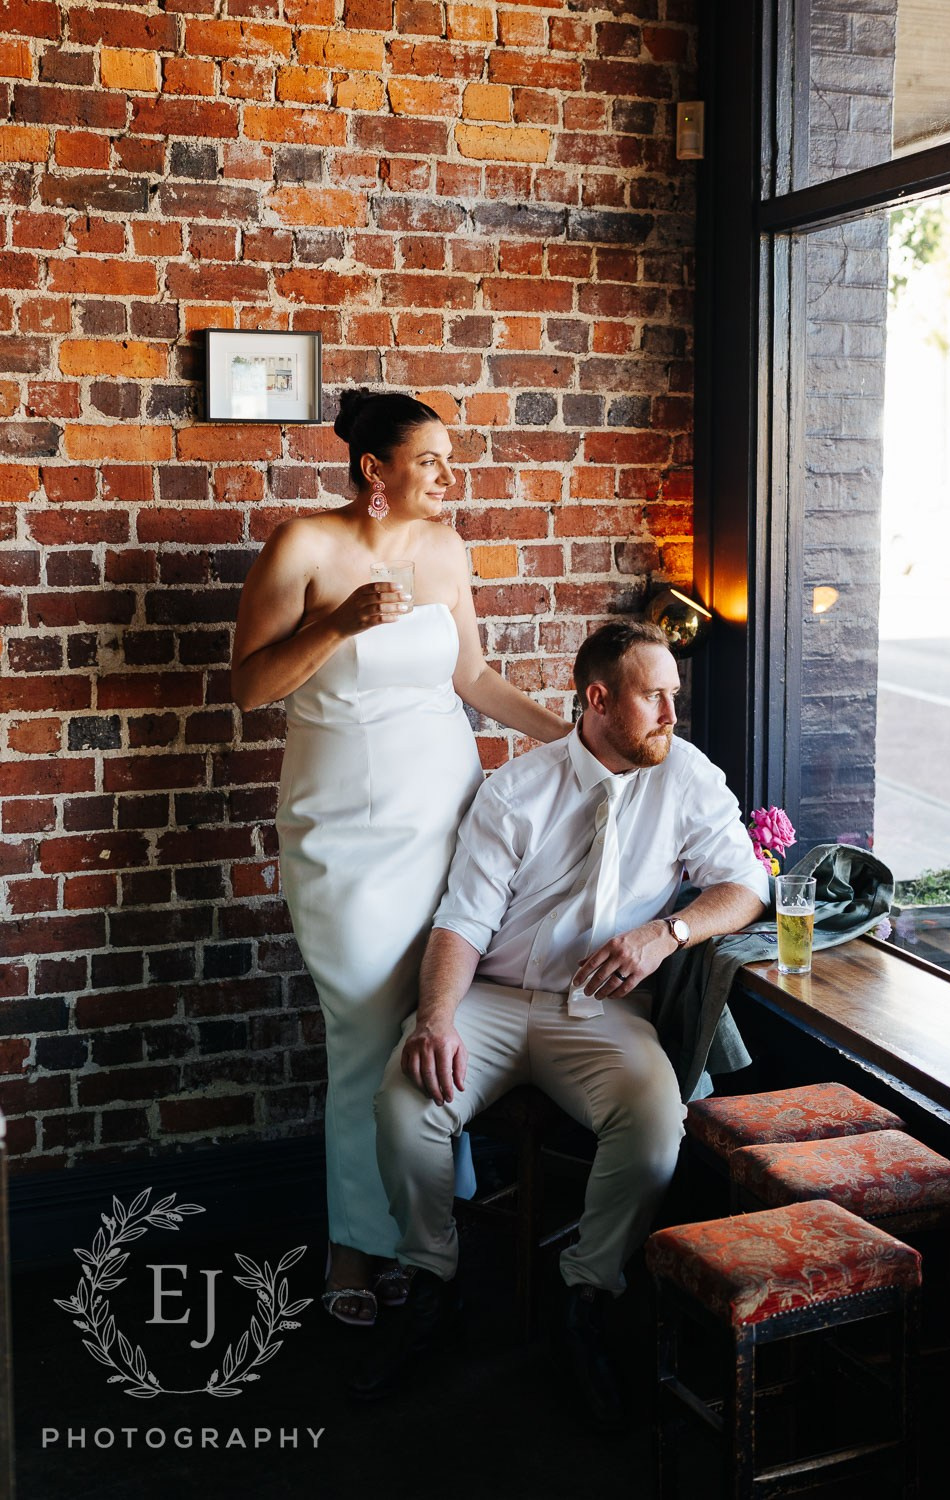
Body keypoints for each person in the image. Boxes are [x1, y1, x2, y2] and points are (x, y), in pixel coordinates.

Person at [357, 621, 769, 1420]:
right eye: (655, 696)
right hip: (499, 999)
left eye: (673, 697)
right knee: (405, 1105)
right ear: (598, 699)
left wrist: (668, 931)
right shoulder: (517, 789)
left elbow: (745, 886)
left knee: (656, 1126)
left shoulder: (685, 774)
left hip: (605, 1014)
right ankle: (435, 1285)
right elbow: (462, 922)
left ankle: (586, 1297)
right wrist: (435, 1019)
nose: (671, 714)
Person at [230, 388, 569, 1327]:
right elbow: (250, 687)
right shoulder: (301, 545)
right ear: (375, 470)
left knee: (437, 1009)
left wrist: (573, 742)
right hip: (340, 830)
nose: (449, 478)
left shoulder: (447, 549)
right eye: (431, 462)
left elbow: (474, 679)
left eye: (450, 461)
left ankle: (429, 1221)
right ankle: (355, 1248)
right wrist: (337, 625)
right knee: (364, 1034)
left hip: (444, 817)